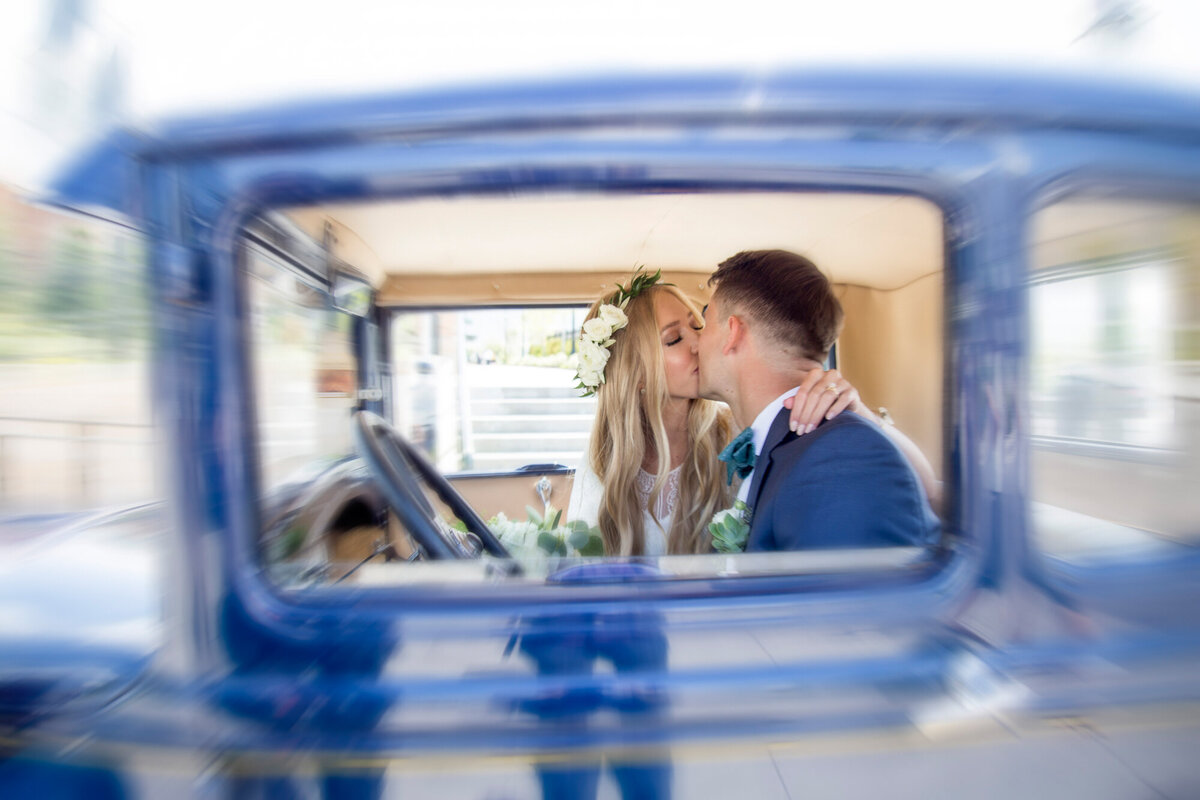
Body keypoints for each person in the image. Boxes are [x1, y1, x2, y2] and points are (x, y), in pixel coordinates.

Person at [568, 268, 937, 556]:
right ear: (637, 376)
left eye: (699, 325)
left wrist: (861, 415)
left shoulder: (745, 435)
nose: (699, 344)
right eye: (675, 339)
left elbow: (926, 489)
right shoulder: (603, 462)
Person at [695, 250, 940, 551]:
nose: (696, 343)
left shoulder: (840, 457)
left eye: (704, 325)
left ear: (732, 333)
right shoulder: (789, 444)